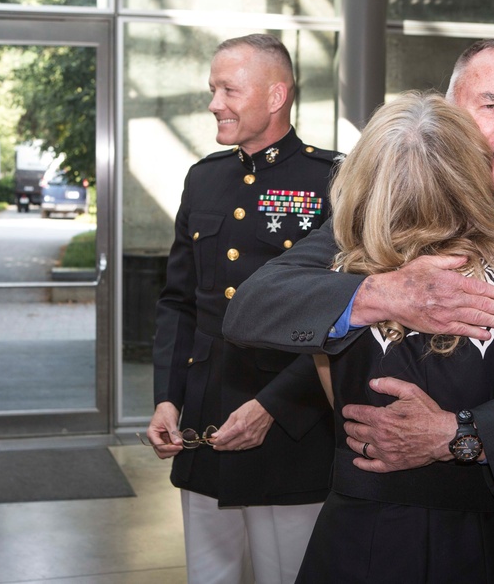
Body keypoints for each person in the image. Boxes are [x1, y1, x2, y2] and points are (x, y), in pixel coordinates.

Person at [223, 40, 494, 583]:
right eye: (493, 104)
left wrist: (459, 434)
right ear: (450, 120)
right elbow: (255, 307)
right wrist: (385, 293)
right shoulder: (372, 220)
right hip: (374, 535)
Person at [299, 90, 494, 582]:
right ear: (472, 173)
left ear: (365, 180)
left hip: (358, 544)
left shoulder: (333, 292)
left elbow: (336, 404)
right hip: (487, 546)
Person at [143, 34, 339, 584]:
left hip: (292, 428)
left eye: (229, 89)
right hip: (207, 423)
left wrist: (274, 406)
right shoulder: (204, 177)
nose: (214, 103)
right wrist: (166, 399)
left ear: (276, 96)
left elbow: (345, 317)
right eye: (213, 89)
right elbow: (179, 302)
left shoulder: (335, 181)